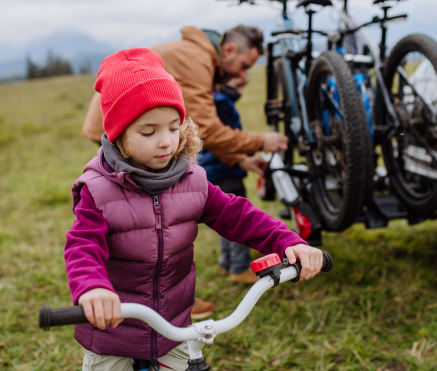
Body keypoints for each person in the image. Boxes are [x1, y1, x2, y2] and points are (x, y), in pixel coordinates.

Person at [66, 48, 325, 371]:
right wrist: (92, 288)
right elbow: (82, 246)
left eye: (173, 128)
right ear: (119, 137)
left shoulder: (192, 180)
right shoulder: (99, 190)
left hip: (172, 330)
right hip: (113, 333)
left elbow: (239, 215)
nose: (165, 142)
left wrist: (289, 242)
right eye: (149, 132)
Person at [81, 25, 290, 318]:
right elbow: (210, 129)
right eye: (244, 66)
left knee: (156, 219)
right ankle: (154, 304)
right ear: (229, 50)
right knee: (145, 222)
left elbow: (190, 132)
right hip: (122, 121)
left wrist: (241, 161)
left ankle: (168, 301)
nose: (242, 75)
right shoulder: (199, 60)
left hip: (138, 127)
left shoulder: (200, 57)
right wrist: (259, 142)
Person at [201, 73, 258, 283]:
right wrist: (245, 155)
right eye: (236, 84)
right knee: (239, 220)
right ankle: (240, 268)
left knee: (224, 219)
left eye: (243, 86)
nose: (239, 91)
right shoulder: (221, 103)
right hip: (225, 169)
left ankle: (227, 263)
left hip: (212, 169)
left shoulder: (212, 101)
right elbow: (228, 140)